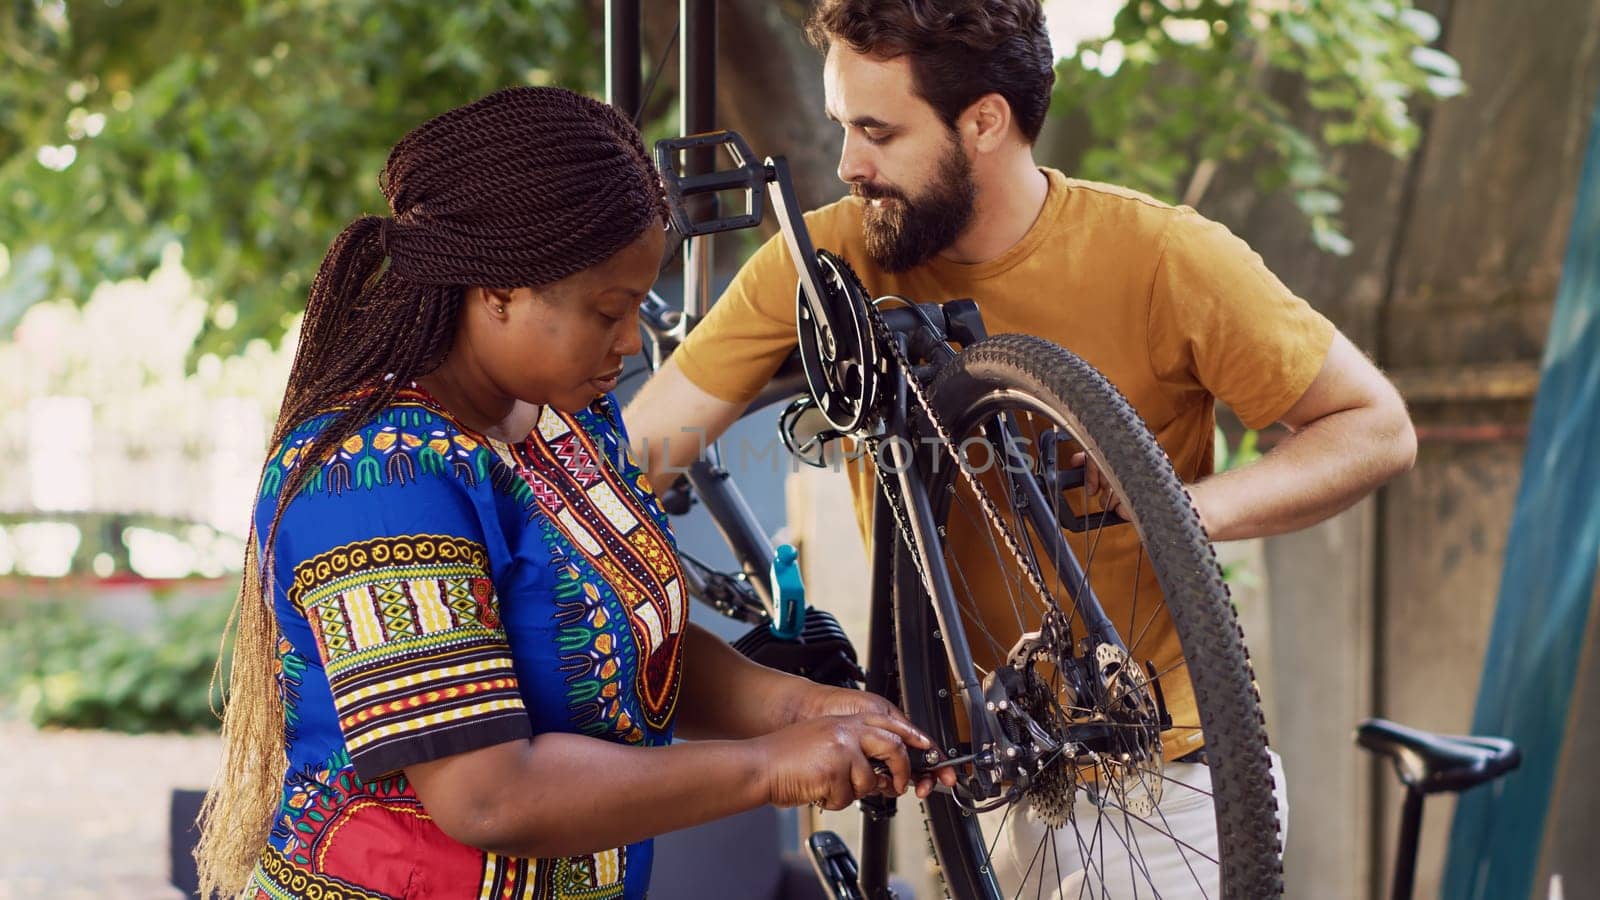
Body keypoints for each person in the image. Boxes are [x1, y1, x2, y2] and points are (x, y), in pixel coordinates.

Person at [623, 0, 1418, 894]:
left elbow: (1376, 427)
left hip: (1161, 784)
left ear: (985, 121)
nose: (849, 164)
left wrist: (1182, 507)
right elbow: (636, 455)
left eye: (878, 132)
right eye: (843, 125)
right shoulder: (824, 259)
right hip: (971, 780)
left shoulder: (1161, 256)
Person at [193, 86, 945, 900]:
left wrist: (801, 709)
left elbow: (620, 647)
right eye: (608, 311)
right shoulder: (373, 479)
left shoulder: (565, 422)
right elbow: (488, 794)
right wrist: (768, 769)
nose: (631, 342)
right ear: (499, 291)